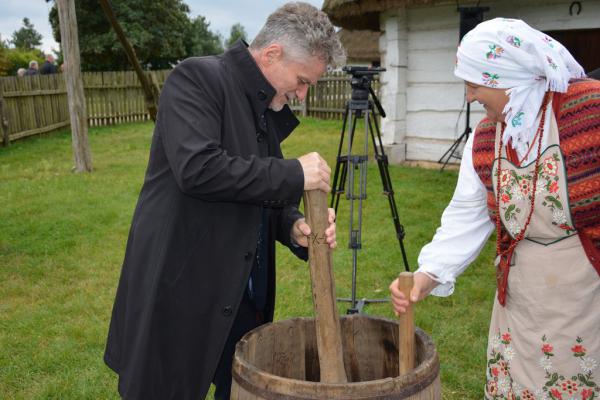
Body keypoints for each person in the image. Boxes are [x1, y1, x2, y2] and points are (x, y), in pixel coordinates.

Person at [104, 2, 345, 399]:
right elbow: (198, 169)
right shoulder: (197, 78)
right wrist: (293, 174)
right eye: (302, 80)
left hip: (240, 300)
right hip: (182, 295)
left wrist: (293, 227)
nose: (302, 94)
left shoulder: (263, 104)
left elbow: (256, 189)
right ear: (272, 54)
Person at [390, 18, 600, 399]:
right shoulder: (486, 138)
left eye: (474, 85)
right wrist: (427, 275)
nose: (469, 97)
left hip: (586, 295)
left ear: (509, 77)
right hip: (520, 298)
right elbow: (465, 217)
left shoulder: (590, 113)